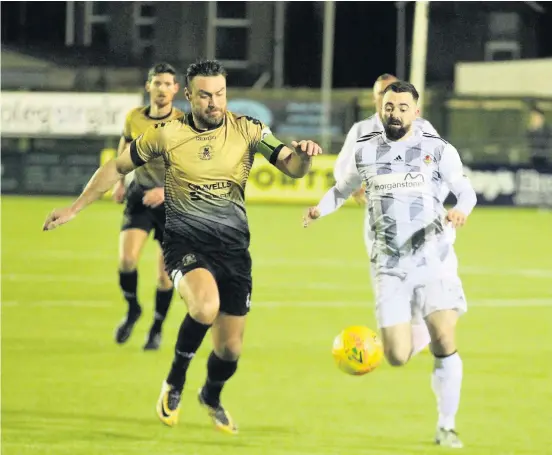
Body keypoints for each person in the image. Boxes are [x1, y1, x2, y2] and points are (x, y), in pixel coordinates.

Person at [43, 59, 322, 435]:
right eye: (205, 95)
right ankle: (174, 381)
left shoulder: (249, 129)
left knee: (230, 350)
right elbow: (117, 167)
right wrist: (75, 207)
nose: (213, 102)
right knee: (205, 305)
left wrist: (302, 154)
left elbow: (292, 165)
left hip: (234, 252)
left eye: (220, 94)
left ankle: (210, 395)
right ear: (188, 95)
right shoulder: (167, 133)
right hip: (185, 243)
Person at [304, 81, 477, 448]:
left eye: (402, 107)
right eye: (389, 106)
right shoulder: (365, 150)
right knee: (397, 355)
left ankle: (447, 425)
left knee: (445, 337)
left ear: (416, 111)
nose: (395, 113)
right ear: (380, 109)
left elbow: (464, 188)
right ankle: (424, 326)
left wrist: (461, 209)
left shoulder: (436, 149)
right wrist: (321, 209)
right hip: (390, 264)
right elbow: (341, 188)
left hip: (434, 257)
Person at [336, 73, 444, 356]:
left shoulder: (422, 128)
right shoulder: (361, 130)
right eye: (383, 93)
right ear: (376, 99)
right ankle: (398, 332)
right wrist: (353, 189)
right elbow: (342, 169)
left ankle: (419, 330)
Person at [112, 62, 184, 350]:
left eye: (168, 84)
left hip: (173, 206)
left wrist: (164, 193)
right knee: (127, 260)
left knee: (164, 276)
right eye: (158, 83)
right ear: (148, 87)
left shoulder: (183, 124)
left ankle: (156, 328)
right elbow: (125, 145)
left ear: (176, 89)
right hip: (139, 197)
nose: (162, 89)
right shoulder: (134, 117)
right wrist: (119, 180)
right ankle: (132, 309)